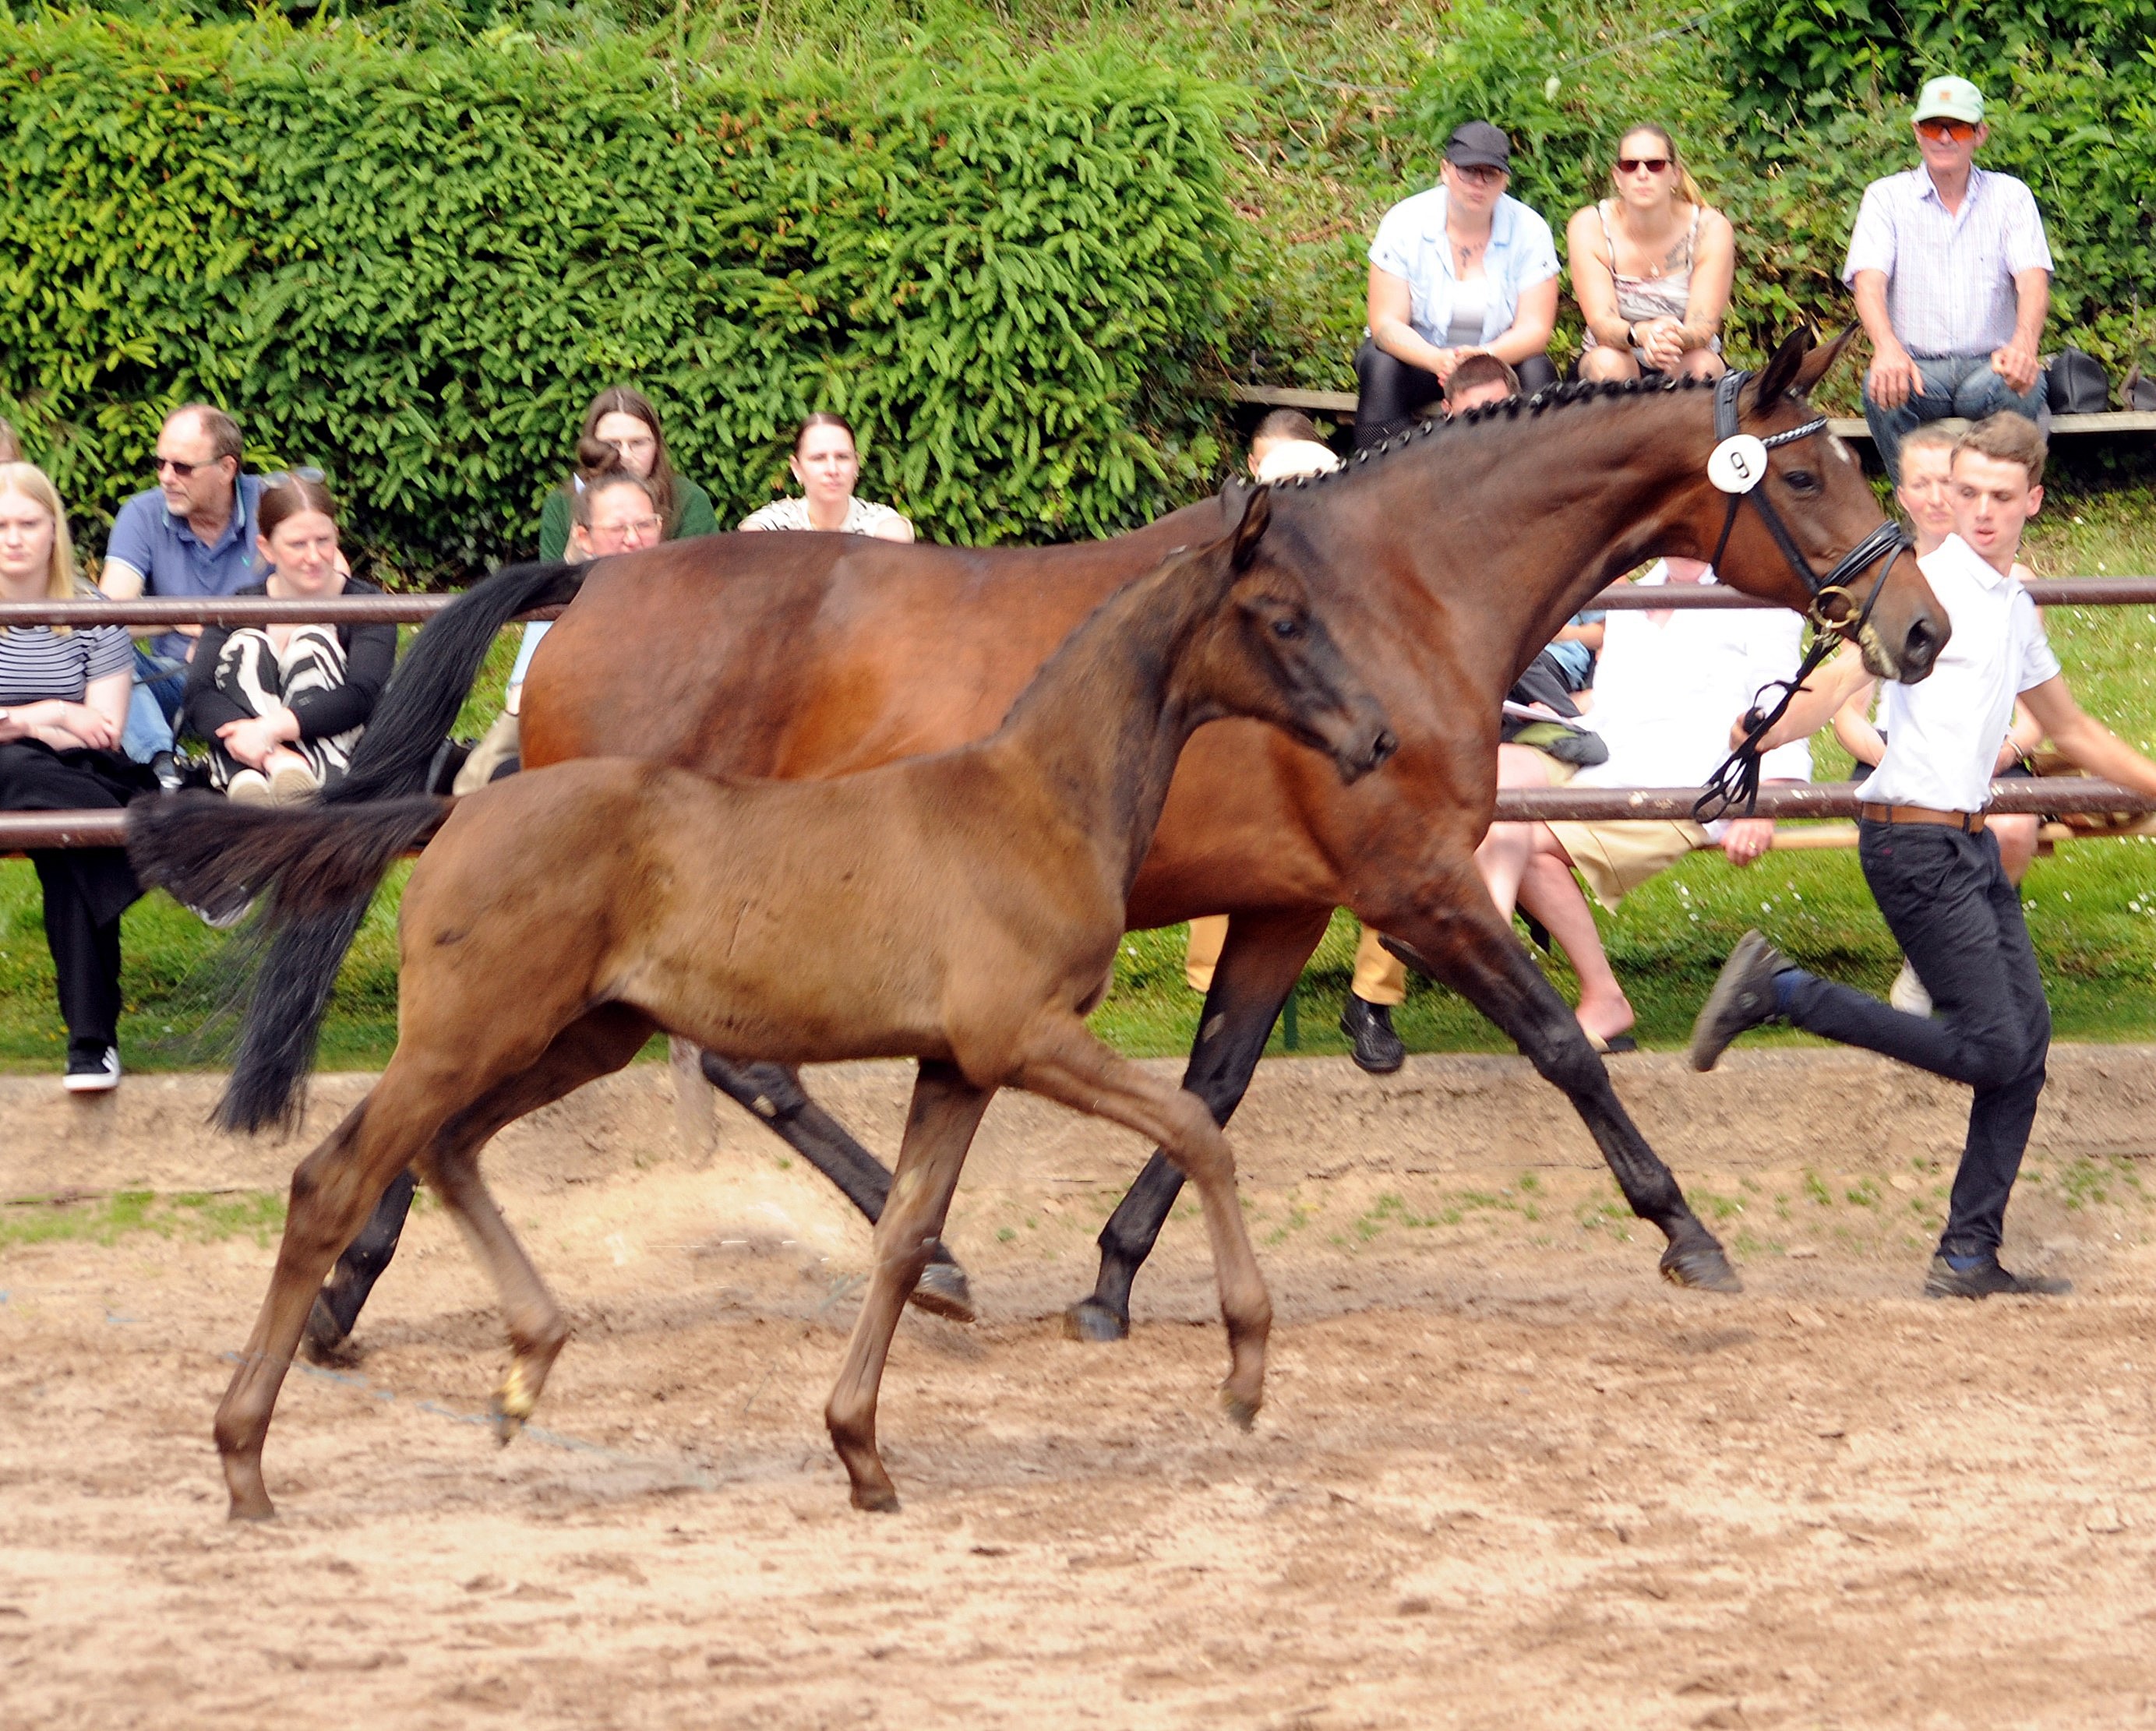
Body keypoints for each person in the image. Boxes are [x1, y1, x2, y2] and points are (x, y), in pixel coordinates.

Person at [1690, 414, 2156, 1299]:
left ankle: (1967, 1254)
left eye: (1999, 498)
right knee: (1991, 1047)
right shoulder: (1912, 588)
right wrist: (1763, 730)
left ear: (2032, 503)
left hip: (1968, 844)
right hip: (1910, 842)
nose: (1978, 512)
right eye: (1965, 492)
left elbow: (2072, 730)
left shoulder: (2013, 606)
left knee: (2023, 1051)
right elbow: (1832, 685)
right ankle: (1785, 990)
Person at [1477, 556, 1810, 1050]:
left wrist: (1762, 807)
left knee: (1522, 834)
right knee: (1492, 773)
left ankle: (1499, 956)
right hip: (1605, 754)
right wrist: (1560, 717)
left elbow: (1783, 706)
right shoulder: (1634, 594)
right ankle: (1497, 946)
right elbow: (1618, 700)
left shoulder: (1757, 597)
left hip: (1687, 779)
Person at [1828, 424, 2042, 1014]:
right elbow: (1843, 712)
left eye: (1949, 482)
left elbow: (2040, 716)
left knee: (2015, 824)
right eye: (1920, 483)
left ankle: (1965, 950)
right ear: (1902, 494)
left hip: (1985, 756)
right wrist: (1889, 752)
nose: (1937, 497)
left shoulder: (2011, 586)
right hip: (1899, 755)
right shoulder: (1891, 586)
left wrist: (2003, 751)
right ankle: (1934, 957)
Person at [0, 463, 150, 1091]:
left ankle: (93, 1046)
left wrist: (19, 721)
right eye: (1, 525)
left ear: (53, 529)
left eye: (28, 523)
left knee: (68, 848)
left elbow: (105, 729)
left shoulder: (92, 610)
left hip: (73, 773)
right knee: (22, 769)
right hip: (23, 774)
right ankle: (92, 1042)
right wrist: (55, 713)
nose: (13, 538)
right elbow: (80, 720)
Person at [1844, 76, 2052, 480]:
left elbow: (2032, 279)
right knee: (1880, 384)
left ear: (1980, 134)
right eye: (1931, 127)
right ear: (1916, 132)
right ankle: (1917, 501)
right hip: (1918, 369)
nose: (1943, 138)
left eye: (1957, 128)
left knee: (2022, 383)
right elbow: (1869, 283)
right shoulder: (1885, 197)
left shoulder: (2011, 196)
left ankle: (1997, 498)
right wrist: (1886, 348)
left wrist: (2024, 345)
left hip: (1989, 366)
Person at [180, 475, 395, 805]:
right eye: (298, 545)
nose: (314, 556)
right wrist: (272, 755)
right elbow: (198, 695)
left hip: (337, 761)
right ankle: (256, 781)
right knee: (248, 645)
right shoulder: (239, 606)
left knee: (311, 643)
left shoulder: (367, 604)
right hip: (251, 765)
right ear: (266, 548)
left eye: (323, 541)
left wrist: (270, 730)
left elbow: (362, 694)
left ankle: (306, 781)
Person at [453, 467, 668, 793]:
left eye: (644, 525)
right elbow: (473, 785)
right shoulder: (560, 614)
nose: (633, 540)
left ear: (660, 527)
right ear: (584, 537)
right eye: (617, 528)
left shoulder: (684, 602)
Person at [1354, 121, 1561, 451]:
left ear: (1505, 180)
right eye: (1468, 171)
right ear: (1446, 171)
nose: (1478, 183)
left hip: (1495, 360)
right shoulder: (1404, 221)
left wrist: (1484, 355)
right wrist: (1437, 360)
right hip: (1419, 358)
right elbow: (1385, 324)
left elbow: (1535, 329)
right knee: (1380, 365)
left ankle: (1538, 472)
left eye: (1490, 173)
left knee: (1538, 370)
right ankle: (1378, 470)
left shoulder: (1530, 230)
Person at [99, 406, 268, 756]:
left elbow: (331, 583)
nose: (166, 477)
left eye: (182, 467)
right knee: (107, 658)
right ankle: (163, 765)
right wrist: (177, 617)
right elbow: (105, 619)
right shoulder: (142, 513)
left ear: (226, 469)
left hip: (263, 674)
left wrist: (221, 633)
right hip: (177, 679)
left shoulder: (271, 506)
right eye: (159, 463)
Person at [1568, 123, 1734, 384]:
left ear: (1675, 174)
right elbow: (1601, 322)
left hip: (1685, 353)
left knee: (1701, 367)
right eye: (1630, 165)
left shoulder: (1709, 228)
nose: (1642, 174)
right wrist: (1641, 335)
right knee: (1608, 366)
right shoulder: (1590, 226)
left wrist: (1670, 339)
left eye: (1655, 165)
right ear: (1617, 177)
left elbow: (1703, 325)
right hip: (1617, 353)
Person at [536, 386, 720, 563]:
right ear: (592, 446)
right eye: (613, 443)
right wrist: (571, 564)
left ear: (656, 446)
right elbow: (548, 591)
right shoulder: (561, 503)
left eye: (638, 443)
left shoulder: (688, 499)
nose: (626, 456)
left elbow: (705, 581)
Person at [739, 414, 915, 539]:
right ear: (796, 468)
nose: (832, 469)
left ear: (856, 464)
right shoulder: (776, 522)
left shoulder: (881, 525)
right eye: (818, 458)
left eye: (842, 457)